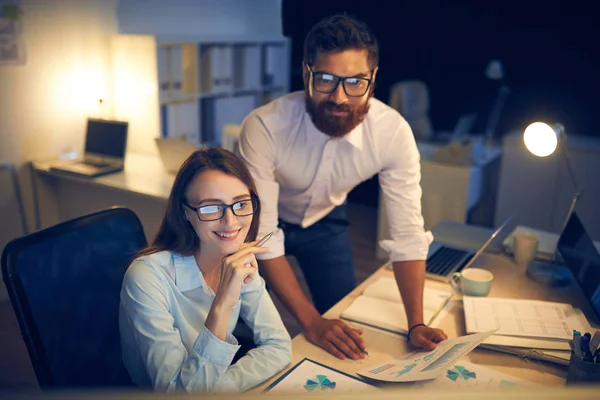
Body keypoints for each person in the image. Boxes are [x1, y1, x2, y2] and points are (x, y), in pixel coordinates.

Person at [237, 13, 447, 361]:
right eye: (326, 79)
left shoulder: (392, 133)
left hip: (325, 222)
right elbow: (263, 237)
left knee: (345, 319)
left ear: (373, 77)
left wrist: (416, 325)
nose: (339, 97)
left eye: (355, 82)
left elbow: (408, 234)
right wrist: (310, 322)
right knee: (245, 325)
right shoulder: (264, 126)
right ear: (307, 73)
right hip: (254, 230)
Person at [119, 147, 292, 393]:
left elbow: (279, 346)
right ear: (185, 213)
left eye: (240, 204)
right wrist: (222, 304)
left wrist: (215, 388)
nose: (231, 222)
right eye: (211, 208)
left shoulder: (239, 257)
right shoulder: (146, 277)